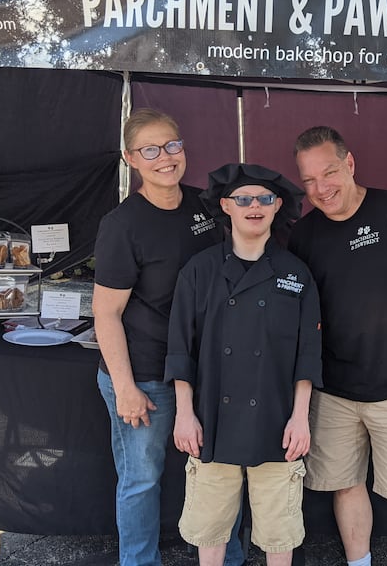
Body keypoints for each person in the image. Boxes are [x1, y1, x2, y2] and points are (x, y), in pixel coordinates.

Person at [289, 126, 387, 566]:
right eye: (309, 180)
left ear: (350, 163)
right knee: (345, 486)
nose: (321, 188)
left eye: (329, 173)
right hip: (333, 393)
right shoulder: (303, 235)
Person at [92, 108, 244, 566]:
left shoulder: (206, 206)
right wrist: (125, 388)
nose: (165, 157)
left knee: (219, 472)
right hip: (146, 374)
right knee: (141, 479)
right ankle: (139, 561)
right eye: (150, 150)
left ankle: (228, 557)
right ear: (130, 158)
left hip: (208, 369)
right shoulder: (122, 226)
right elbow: (106, 313)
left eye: (172, 145)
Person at [165, 163, 322, 566]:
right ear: (226, 206)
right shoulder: (199, 271)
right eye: (244, 199)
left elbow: (307, 354)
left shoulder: (296, 274)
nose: (255, 206)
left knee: (279, 532)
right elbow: (181, 349)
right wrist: (185, 414)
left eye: (265, 199)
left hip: (277, 420)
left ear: (277, 207)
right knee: (211, 529)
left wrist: (300, 418)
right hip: (212, 419)